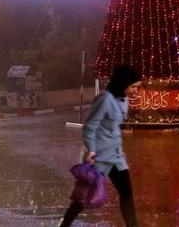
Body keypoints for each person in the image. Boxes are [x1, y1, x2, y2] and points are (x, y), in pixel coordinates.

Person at [59, 65, 141, 227]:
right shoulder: (104, 100)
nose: (135, 91)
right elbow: (89, 127)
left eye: (137, 87)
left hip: (116, 157)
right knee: (82, 198)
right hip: (99, 156)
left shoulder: (123, 100)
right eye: (133, 87)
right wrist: (91, 150)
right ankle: (64, 225)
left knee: (127, 193)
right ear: (123, 84)